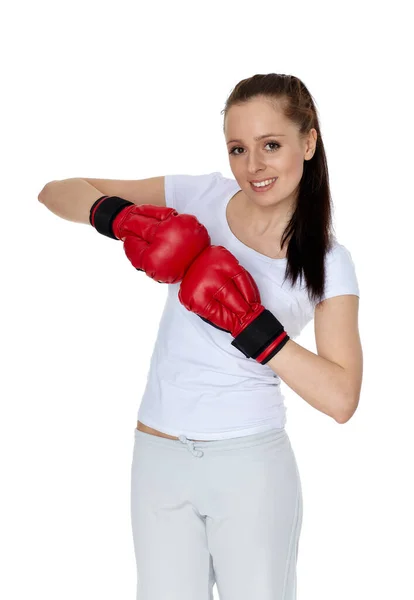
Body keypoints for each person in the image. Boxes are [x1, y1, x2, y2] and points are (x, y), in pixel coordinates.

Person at [39, 73, 363, 600]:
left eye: (271, 145)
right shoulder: (200, 197)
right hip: (159, 456)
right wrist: (126, 220)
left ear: (309, 142)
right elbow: (56, 193)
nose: (253, 167)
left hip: (250, 467)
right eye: (239, 148)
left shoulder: (328, 261)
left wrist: (255, 329)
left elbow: (342, 397)